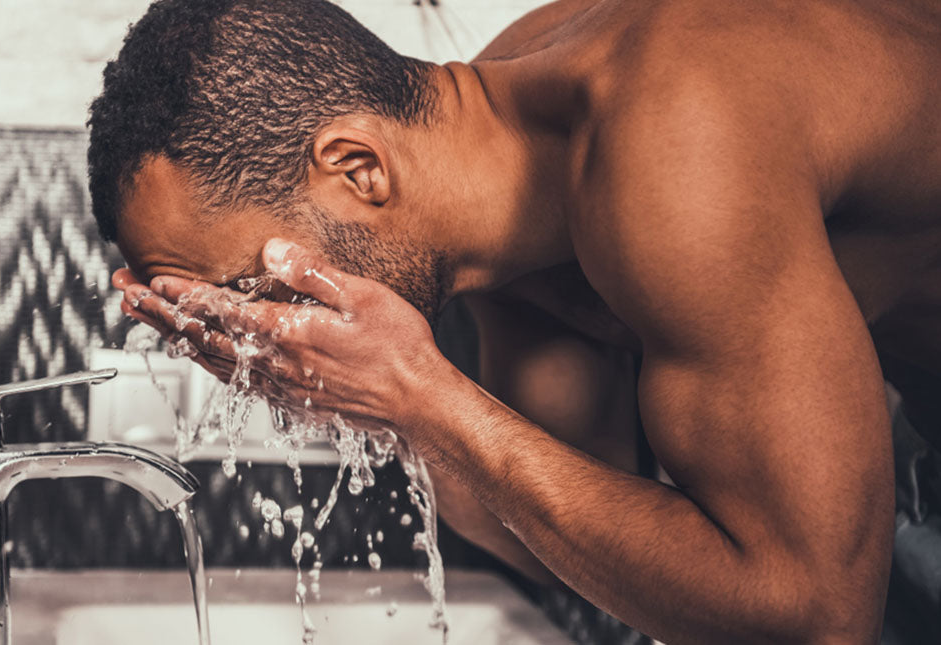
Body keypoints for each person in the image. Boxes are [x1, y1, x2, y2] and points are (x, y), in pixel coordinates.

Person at [87, 0, 941, 641]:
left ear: (357, 169)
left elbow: (820, 614)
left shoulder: (670, 141)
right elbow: (589, 544)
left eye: (247, 289)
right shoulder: (481, 189)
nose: (252, 335)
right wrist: (388, 403)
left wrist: (422, 398)